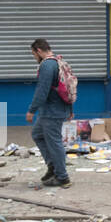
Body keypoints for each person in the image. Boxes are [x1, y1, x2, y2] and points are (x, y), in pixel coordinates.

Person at [26, 38, 72, 188]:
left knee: (54, 142)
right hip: (55, 109)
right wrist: (70, 109)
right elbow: (67, 87)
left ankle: (62, 177)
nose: (34, 58)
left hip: (51, 111)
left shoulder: (47, 65)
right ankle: (53, 166)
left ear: (39, 51)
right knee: (37, 134)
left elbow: (42, 91)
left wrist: (31, 110)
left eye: (34, 54)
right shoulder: (59, 62)